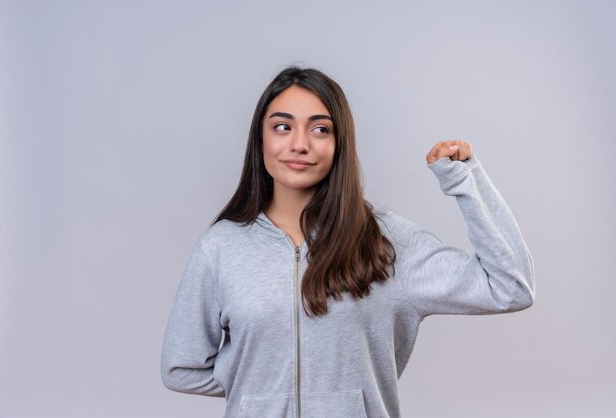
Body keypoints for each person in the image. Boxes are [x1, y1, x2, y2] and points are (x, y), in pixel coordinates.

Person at [160, 66, 535, 418]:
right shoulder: (221, 248)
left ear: (340, 143)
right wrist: (262, 376)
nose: (300, 144)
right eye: (282, 127)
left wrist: (463, 181)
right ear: (260, 138)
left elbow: (509, 287)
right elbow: (181, 366)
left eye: (320, 129)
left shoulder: (388, 243)